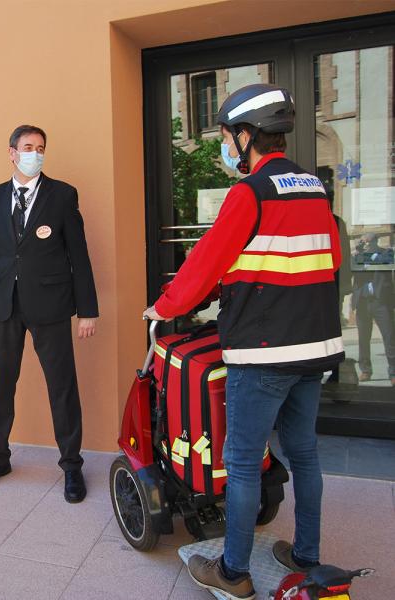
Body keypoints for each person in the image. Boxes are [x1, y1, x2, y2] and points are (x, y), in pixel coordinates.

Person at [145, 84, 344, 599]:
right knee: (304, 454)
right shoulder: (316, 189)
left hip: (263, 352)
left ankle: (233, 572)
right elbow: (327, 262)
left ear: (247, 134)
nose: (227, 146)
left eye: (228, 136)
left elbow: (208, 261)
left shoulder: (251, 192)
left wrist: (164, 307)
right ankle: (304, 555)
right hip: (314, 347)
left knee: (241, 462)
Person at [0, 124, 98, 504]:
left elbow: (80, 256)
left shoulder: (62, 195)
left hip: (51, 305)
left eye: (40, 147)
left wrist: (87, 310)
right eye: (27, 147)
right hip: (3, 305)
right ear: (11, 152)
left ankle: (72, 466)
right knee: (2, 385)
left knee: (62, 386)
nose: (35, 153)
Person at [351, 232, 395, 386]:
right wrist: (357, 251)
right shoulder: (358, 255)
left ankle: (393, 372)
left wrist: (370, 257)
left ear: (376, 241)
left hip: (381, 302)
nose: (366, 244)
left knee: (389, 337)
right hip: (362, 301)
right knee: (363, 339)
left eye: (368, 241)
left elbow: (387, 261)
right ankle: (366, 370)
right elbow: (350, 265)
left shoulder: (386, 252)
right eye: (364, 242)